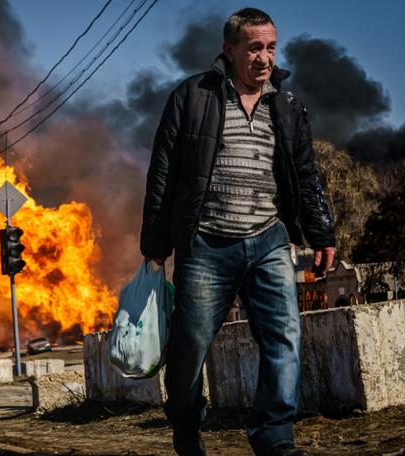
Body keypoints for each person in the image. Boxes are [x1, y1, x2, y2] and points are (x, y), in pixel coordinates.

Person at [139, 7, 336, 456]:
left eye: (270, 48)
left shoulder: (285, 106)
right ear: (229, 50)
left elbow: (306, 175)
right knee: (190, 345)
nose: (264, 59)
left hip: (268, 239)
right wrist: (155, 245)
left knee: (284, 339)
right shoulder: (192, 96)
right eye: (253, 48)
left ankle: (274, 436)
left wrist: (321, 234)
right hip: (206, 243)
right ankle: (187, 426)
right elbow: (163, 173)